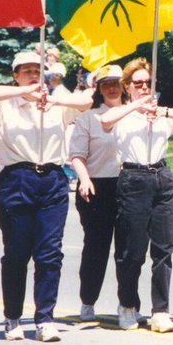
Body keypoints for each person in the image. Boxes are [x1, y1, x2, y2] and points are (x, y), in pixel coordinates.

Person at [0, 50, 92, 342]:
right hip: (18, 177)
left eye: (36, 71)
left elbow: (86, 101)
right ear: (15, 75)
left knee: (50, 253)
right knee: (17, 252)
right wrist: (25, 92)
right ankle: (12, 316)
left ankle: (44, 317)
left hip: (52, 178)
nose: (32, 75)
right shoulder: (5, 106)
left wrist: (52, 99)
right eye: (25, 70)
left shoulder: (57, 103)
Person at [100, 59, 173, 332]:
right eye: (138, 83)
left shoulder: (161, 115)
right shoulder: (121, 114)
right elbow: (105, 121)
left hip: (162, 178)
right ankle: (128, 305)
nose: (144, 87)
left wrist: (165, 112)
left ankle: (161, 310)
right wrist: (136, 106)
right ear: (127, 87)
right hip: (133, 179)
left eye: (147, 83)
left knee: (164, 249)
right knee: (131, 250)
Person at [68, 64, 125, 320]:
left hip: (128, 185)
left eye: (116, 82)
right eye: (106, 84)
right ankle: (88, 300)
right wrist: (84, 179)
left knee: (127, 250)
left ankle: (127, 305)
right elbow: (77, 155)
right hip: (97, 186)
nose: (112, 88)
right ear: (99, 90)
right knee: (96, 247)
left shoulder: (134, 113)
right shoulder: (89, 118)